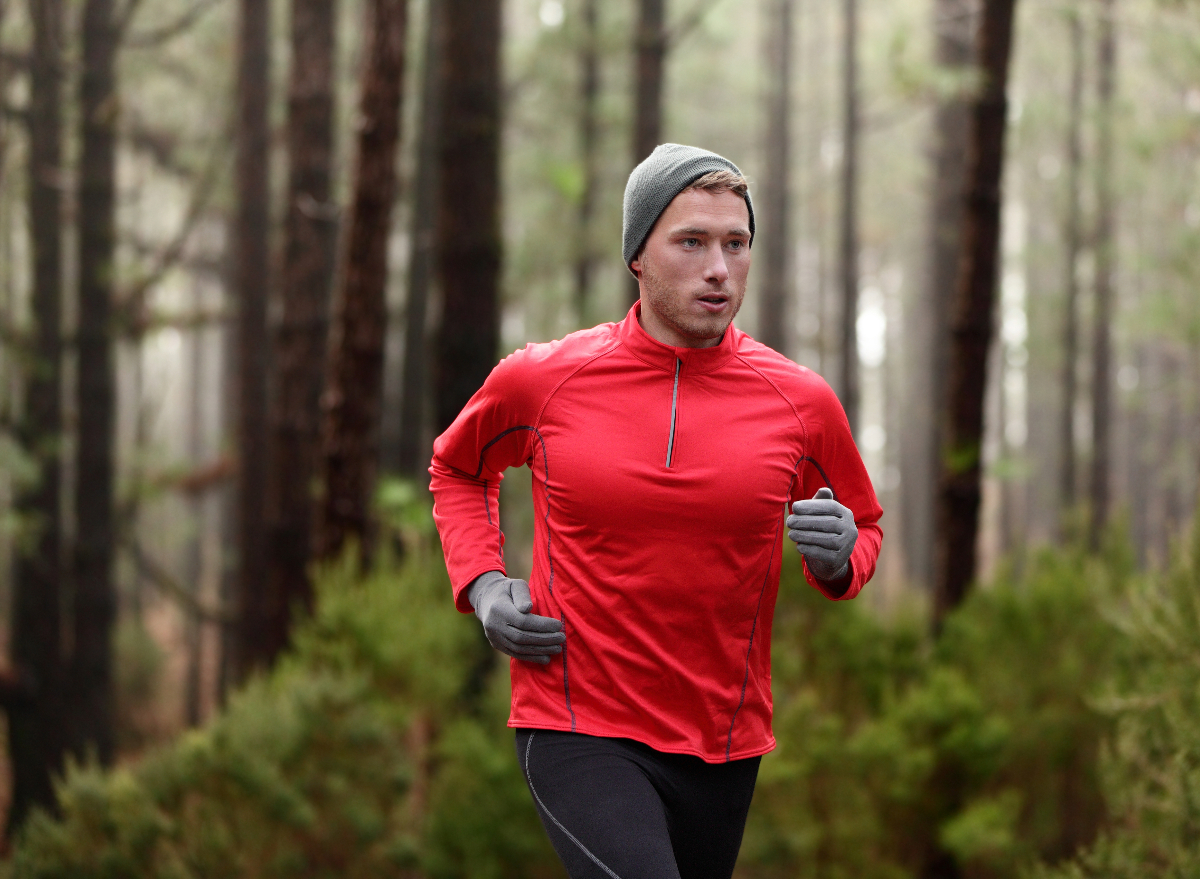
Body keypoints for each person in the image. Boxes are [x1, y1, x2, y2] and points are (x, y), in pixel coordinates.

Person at [430, 143, 882, 879]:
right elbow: (457, 466)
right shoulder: (544, 381)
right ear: (638, 255)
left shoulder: (800, 403)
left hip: (723, 743)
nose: (719, 268)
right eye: (692, 242)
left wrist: (840, 556)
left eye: (736, 244)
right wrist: (482, 585)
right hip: (578, 722)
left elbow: (864, 526)